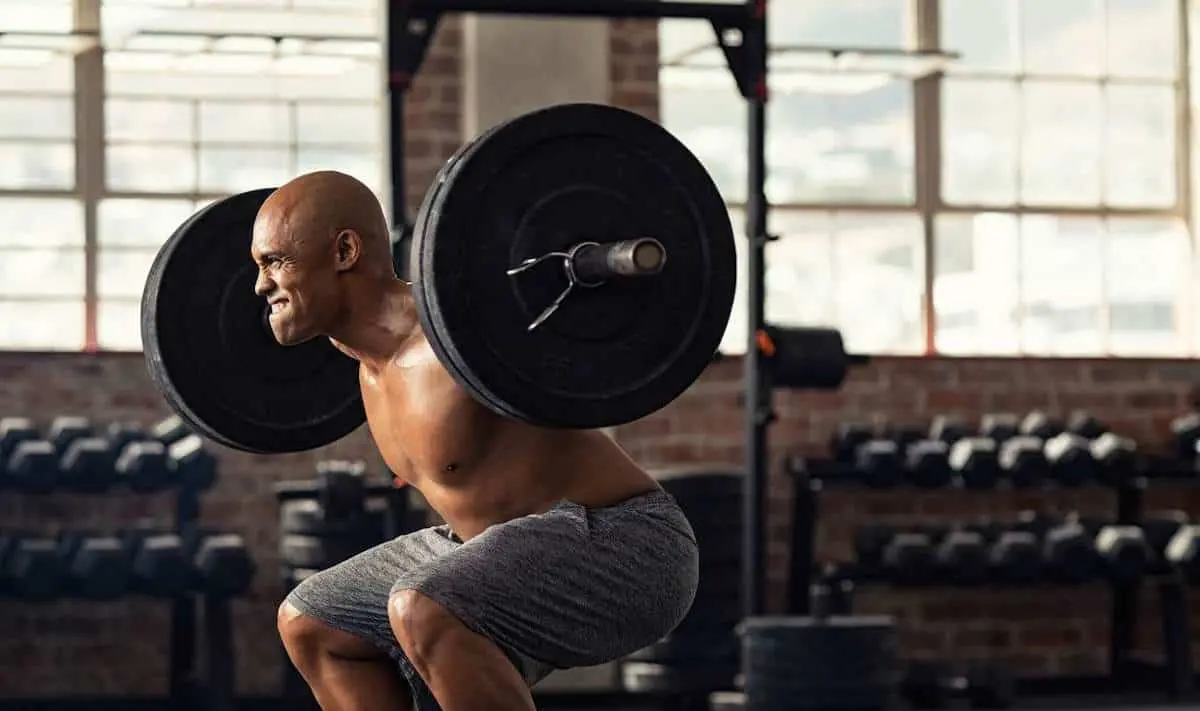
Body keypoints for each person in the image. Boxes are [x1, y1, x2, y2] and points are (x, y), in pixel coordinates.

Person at [257, 170, 700, 711]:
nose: (261, 286)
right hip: (484, 544)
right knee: (311, 621)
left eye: (275, 262)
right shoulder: (365, 366)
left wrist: (596, 270)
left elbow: (567, 338)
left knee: (424, 605)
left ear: (345, 250)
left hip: (626, 544)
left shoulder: (465, 331)